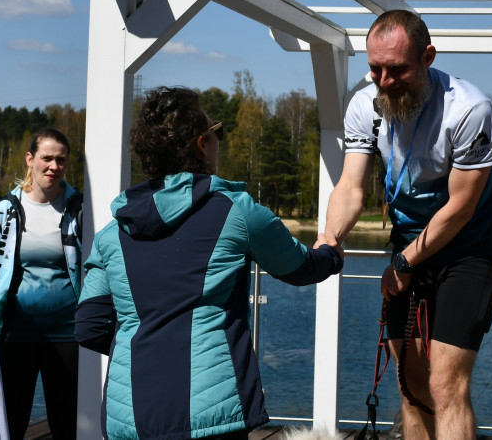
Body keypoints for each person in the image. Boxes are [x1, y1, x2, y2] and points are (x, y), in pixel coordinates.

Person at [76, 86, 344, 440]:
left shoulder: (112, 233)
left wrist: (143, 341)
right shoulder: (236, 211)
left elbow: (89, 325)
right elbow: (299, 267)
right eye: (216, 132)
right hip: (213, 411)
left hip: (131, 417)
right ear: (202, 144)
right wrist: (332, 254)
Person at [321, 10, 492, 440]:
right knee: (410, 384)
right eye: (375, 68)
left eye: (397, 69)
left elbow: (460, 208)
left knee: (446, 385)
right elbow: (350, 186)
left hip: (466, 249)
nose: (384, 81)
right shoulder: (364, 104)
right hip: (407, 247)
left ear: (428, 57)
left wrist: (403, 263)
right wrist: (329, 239)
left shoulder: (470, 109)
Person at [0, 128, 83, 440]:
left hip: (68, 333)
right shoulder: (5, 210)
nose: (53, 166)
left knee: (67, 422)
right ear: (30, 159)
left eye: (61, 160)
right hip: (16, 334)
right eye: (46, 158)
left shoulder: (80, 208)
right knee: (12, 420)